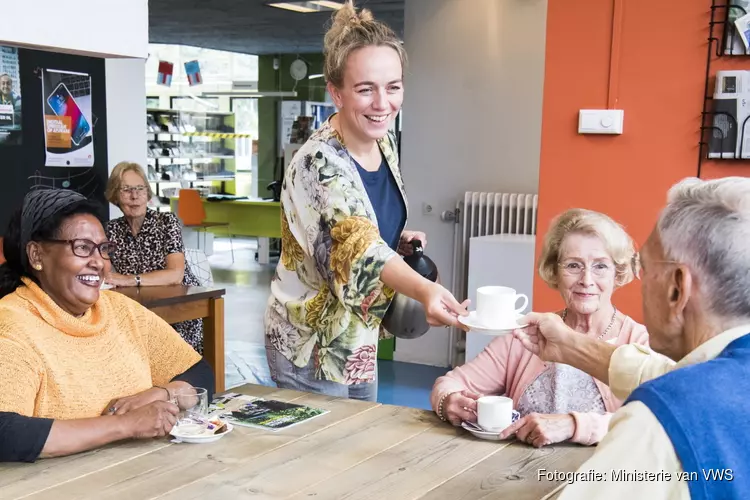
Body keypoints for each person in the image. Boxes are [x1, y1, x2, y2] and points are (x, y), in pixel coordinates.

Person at [265, 1, 468, 402]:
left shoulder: (383, 142)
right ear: (336, 92)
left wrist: (393, 235)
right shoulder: (317, 162)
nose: (382, 104)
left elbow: (359, 223)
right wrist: (426, 292)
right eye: (365, 89)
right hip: (311, 343)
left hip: (359, 336)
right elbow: (357, 248)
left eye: (393, 87)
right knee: (325, 460)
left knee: (359, 450)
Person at [514, 177, 750, 499]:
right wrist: (569, 345)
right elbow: (677, 376)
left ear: (676, 288)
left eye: (644, 268)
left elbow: (679, 388)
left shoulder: (656, 421)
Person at [0, 188, 214, 463]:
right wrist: (127, 425)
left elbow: (198, 373)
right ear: (37, 255)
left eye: (103, 249)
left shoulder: (119, 309)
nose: (99, 263)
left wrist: (163, 393)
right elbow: (5, 431)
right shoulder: (14, 324)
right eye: (82, 248)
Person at [431, 209, 648, 447]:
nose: (586, 280)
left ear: (617, 273)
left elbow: (652, 423)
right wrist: (449, 402)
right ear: (554, 271)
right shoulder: (527, 334)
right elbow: (449, 384)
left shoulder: (638, 342)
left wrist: (573, 424)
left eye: (600, 267)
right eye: (574, 265)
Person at [104, 161, 204, 353]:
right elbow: (106, 274)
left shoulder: (167, 222)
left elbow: (175, 274)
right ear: (115, 195)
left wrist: (131, 280)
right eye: (126, 190)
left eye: (140, 189)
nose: (135, 196)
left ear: (147, 193)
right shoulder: (110, 229)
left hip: (178, 307)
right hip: (137, 306)